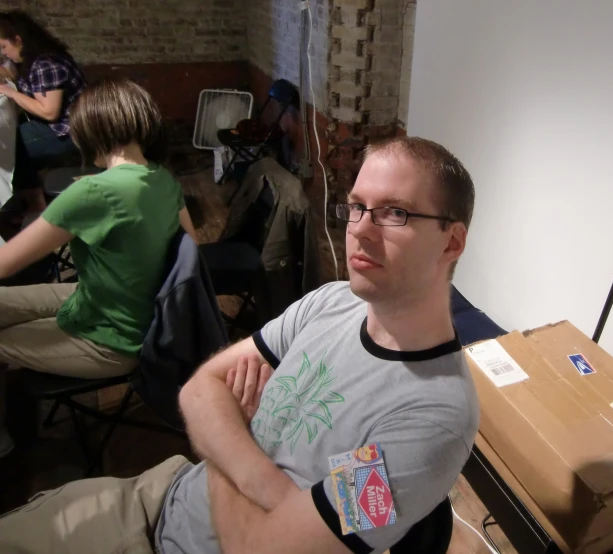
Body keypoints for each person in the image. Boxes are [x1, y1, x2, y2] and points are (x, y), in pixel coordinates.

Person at [0, 136, 479, 554]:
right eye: (356, 206)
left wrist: (225, 438)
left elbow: (259, 549)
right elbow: (199, 387)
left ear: (451, 242)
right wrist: (257, 476)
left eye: (394, 212)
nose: (359, 229)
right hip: (157, 494)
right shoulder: (332, 302)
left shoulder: (429, 418)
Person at [0, 78, 196, 458]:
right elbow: (191, 248)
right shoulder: (163, 179)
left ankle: (4, 442)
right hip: (130, 314)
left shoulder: (91, 193)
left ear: (89, 130)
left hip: (113, 339)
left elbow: (5, 264)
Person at [0, 10, 86, 215]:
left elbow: (49, 113)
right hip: (57, 126)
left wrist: (9, 92)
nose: (3, 53)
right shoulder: (30, 60)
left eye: (4, 47)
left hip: (72, 130)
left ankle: (35, 204)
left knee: (12, 144)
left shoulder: (46, 63)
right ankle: (32, 196)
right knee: (14, 135)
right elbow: (10, 72)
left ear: (18, 40)